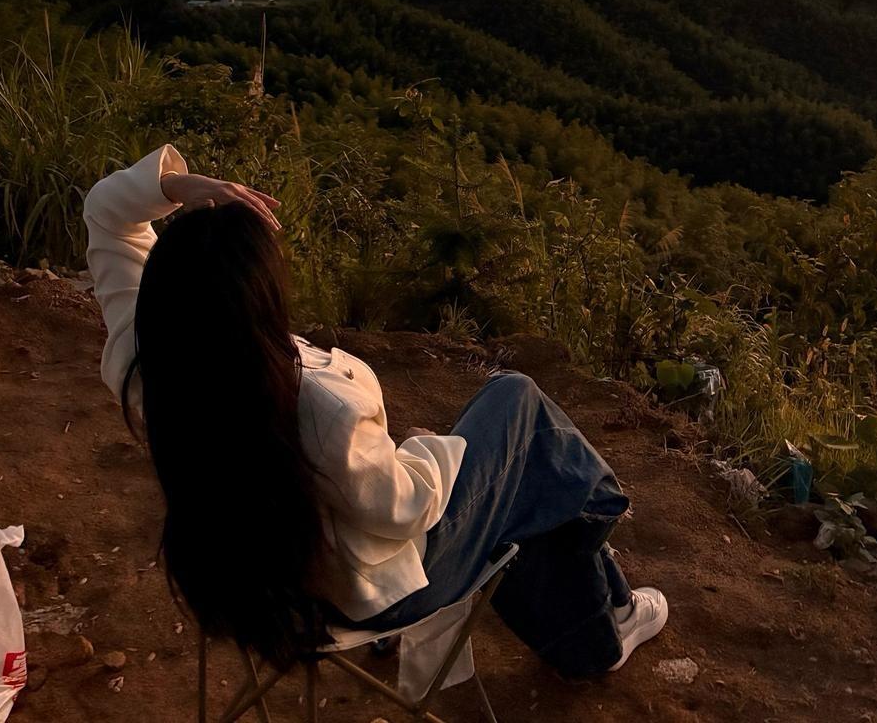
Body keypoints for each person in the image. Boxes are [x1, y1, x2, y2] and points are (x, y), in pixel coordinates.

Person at [84, 146, 667, 674]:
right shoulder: (318, 405)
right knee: (517, 406)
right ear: (259, 297)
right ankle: (603, 615)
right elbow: (406, 509)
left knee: (533, 469)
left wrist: (182, 189)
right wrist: (424, 448)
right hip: (365, 599)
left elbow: (106, 213)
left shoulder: (146, 360)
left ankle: (599, 584)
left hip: (250, 586)